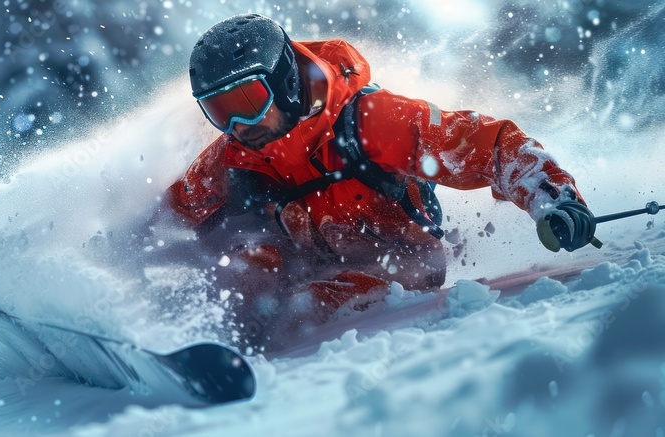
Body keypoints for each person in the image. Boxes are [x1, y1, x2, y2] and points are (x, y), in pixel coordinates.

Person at [160, 13, 598, 326]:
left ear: (284, 82)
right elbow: (174, 214)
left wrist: (553, 199)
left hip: (398, 259)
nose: (238, 126)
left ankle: (265, 334)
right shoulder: (234, 155)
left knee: (307, 306)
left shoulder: (371, 120)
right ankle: (205, 335)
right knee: (241, 270)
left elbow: (490, 146)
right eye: (220, 111)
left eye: (247, 103)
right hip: (301, 259)